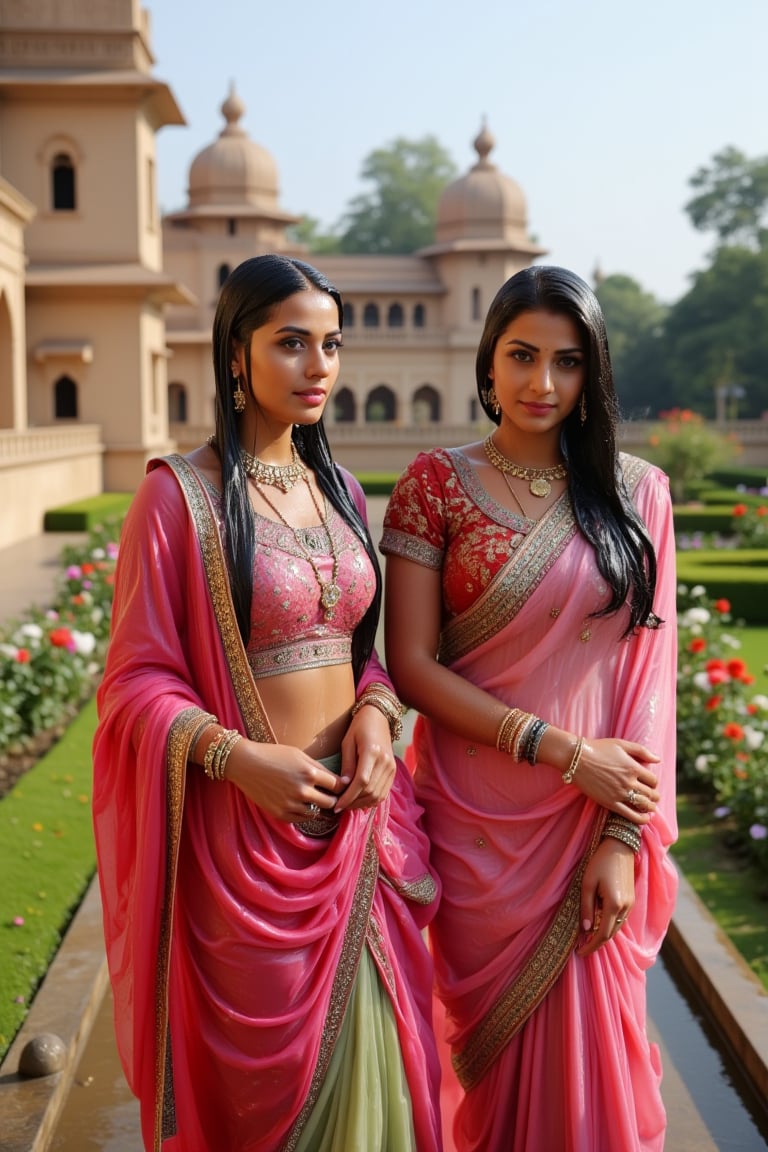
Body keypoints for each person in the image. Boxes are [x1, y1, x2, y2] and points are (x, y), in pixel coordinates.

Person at [92, 254, 442, 1152]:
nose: (319, 365)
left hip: (363, 829)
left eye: (330, 343)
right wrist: (236, 760)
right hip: (249, 843)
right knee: (266, 1107)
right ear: (235, 355)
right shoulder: (181, 500)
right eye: (291, 343)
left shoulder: (343, 493)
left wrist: (375, 715)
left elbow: (372, 659)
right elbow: (132, 682)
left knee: (391, 1087)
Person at [380, 265, 678, 1152]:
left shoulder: (638, 495)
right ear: (488, 358)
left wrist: (621, 838)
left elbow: (646, 681)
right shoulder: (437, 483)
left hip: (592, 824)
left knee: (595, 1081)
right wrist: (559, 750)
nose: (542, 384)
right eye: (521, 356)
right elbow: (409, 665)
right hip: (479, 832)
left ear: (594, 373)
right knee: (494, 1078)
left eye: (567, 362)